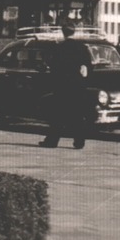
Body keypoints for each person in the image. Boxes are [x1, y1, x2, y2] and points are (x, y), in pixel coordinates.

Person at [41, 18, 94, 149]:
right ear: (74, 32)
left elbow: (54, 68)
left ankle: (52, 141)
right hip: (78, 85)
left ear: (63, 33)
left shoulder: (59, 48)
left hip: (62, 86)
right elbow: (88, 67)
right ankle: (79, 142)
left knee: (58, 114)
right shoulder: (82, 48)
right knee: (78, 114)